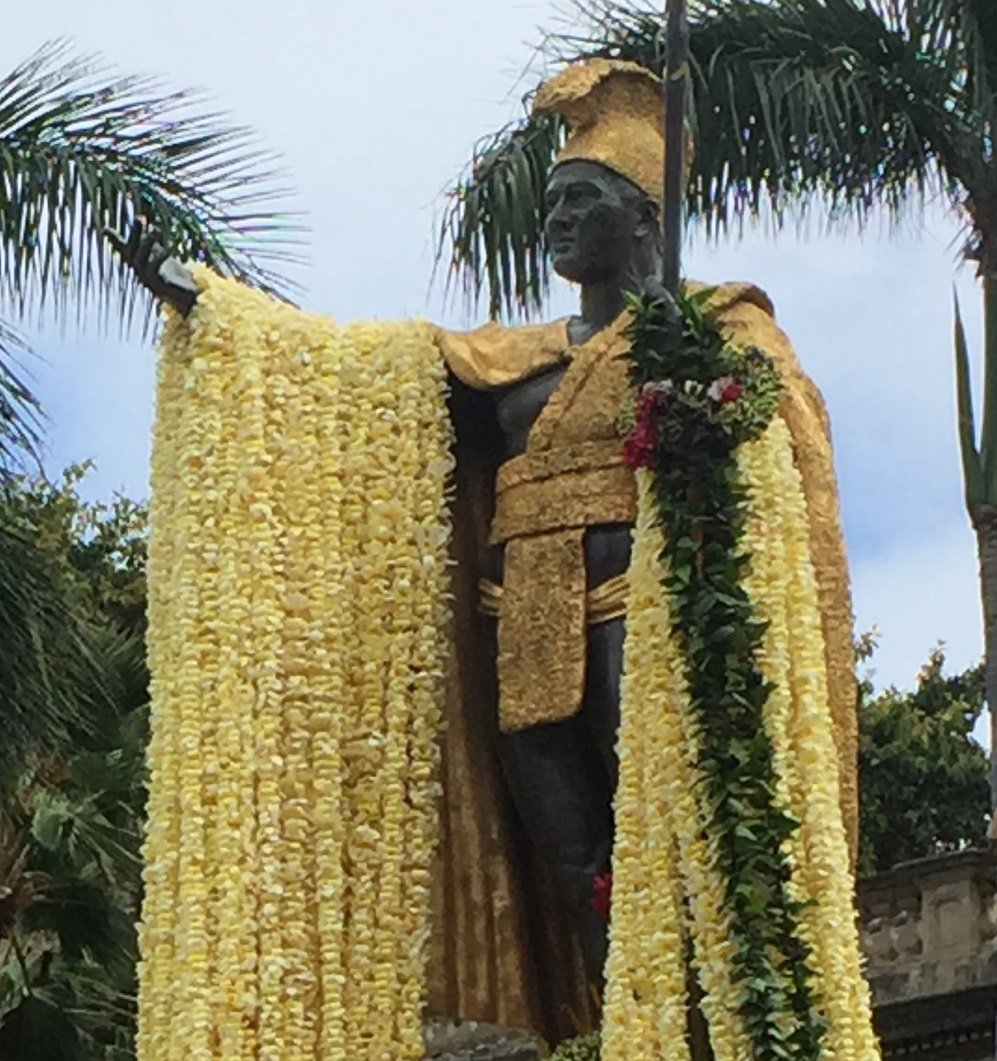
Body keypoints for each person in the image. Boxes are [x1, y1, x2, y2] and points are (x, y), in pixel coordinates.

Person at [113, 58, 857, 1043]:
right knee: (573, 849)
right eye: (550, 200)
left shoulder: (717, 332)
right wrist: (208, 303)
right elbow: (352, 374)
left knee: (669, 832)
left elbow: (779, 431)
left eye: (580, 199)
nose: (555, 220)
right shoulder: (511, 355)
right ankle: (615, 1020)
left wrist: (707, 423)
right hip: (524, 613)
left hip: (644, 606)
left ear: (642, 218)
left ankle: (698, 1020)